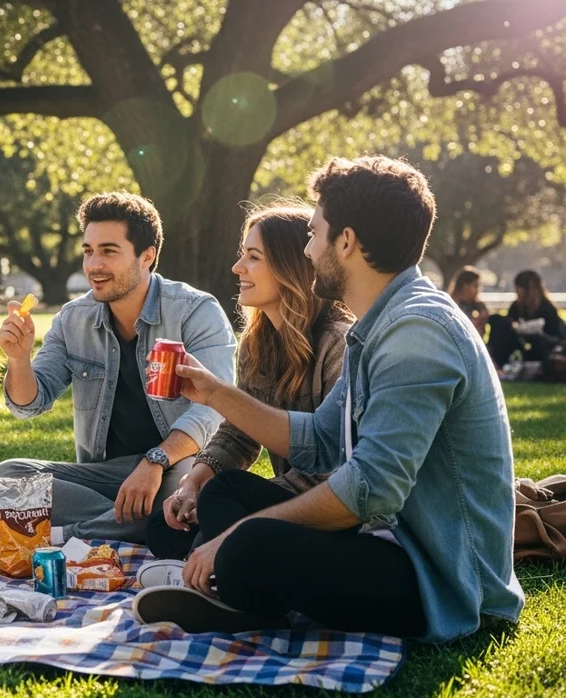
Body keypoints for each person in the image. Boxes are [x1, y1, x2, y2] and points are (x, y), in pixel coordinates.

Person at [134, 156, 523, 642]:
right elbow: (318, 438)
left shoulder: (416, 332)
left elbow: (370, 488)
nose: (308, 249)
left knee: (250, 540)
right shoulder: (382, 325)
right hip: (387, 541)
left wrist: (238, 533)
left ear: (347, 241)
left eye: (314, 233)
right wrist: (214, 393)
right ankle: (241, 595)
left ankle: (240, 590)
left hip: (440, 579)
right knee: (229, 493)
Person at [0, 192, 237, 545]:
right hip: (107, 474)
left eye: (108, 251)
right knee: (7, 478)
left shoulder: (196, 311)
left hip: (179, 464)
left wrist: (154, 462)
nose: (93, 265)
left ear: (147, 256)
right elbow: (30, 403)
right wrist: (18, 358)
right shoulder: (72, 318)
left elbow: (211, 410)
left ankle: (76, 532)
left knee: (191, 496)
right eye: (88, 251)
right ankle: (138, 521)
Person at [142, 205, 352, 563]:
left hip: (324, 507)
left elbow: (337, 470)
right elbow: (239, 435)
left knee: (225, 492)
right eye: (242, 255)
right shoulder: (258, 344)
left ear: (291, 267)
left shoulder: (338, 344)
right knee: (166, 523)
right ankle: (209, 560)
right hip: (284, 499)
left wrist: (240, 502)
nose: (237, 268)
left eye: (252, 257)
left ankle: (209, 571)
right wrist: (193, 482)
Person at [487, 269, 565, 367]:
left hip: (543, 346)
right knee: (498, 321)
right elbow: (509, 323)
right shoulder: (517, 306)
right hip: (521, 342)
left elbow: (554, 335)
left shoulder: (547, 308)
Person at [448, 266, 489, 337]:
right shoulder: (452, 305)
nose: (478, 290)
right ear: (465, 285)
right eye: (475, 286)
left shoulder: (478, 305)